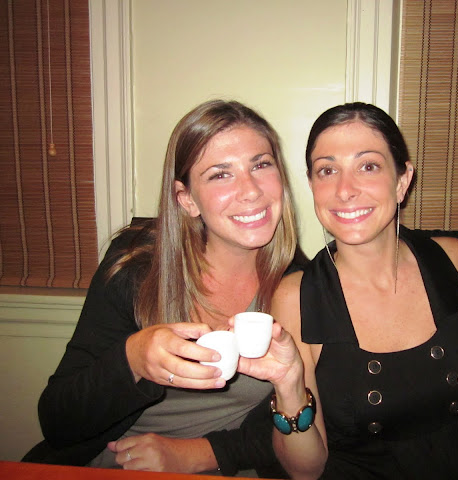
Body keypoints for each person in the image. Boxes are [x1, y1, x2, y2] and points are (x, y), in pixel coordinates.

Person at [22, 99, 300, 477]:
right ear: (187, 199)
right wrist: (133, 359)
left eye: (261, 165)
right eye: (220, 174)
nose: (250, 190)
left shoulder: (301, 284)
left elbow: (310, 421)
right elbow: (58, 420)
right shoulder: (136, 265)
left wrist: (200, 453)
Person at [264, 102, 458, 479]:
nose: (344, 190)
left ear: (402, 181)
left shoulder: (455, 260)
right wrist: (289, 389)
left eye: (368, 166)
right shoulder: (295, 298)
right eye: (327, 170)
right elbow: (306, 471)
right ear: (312, 186)